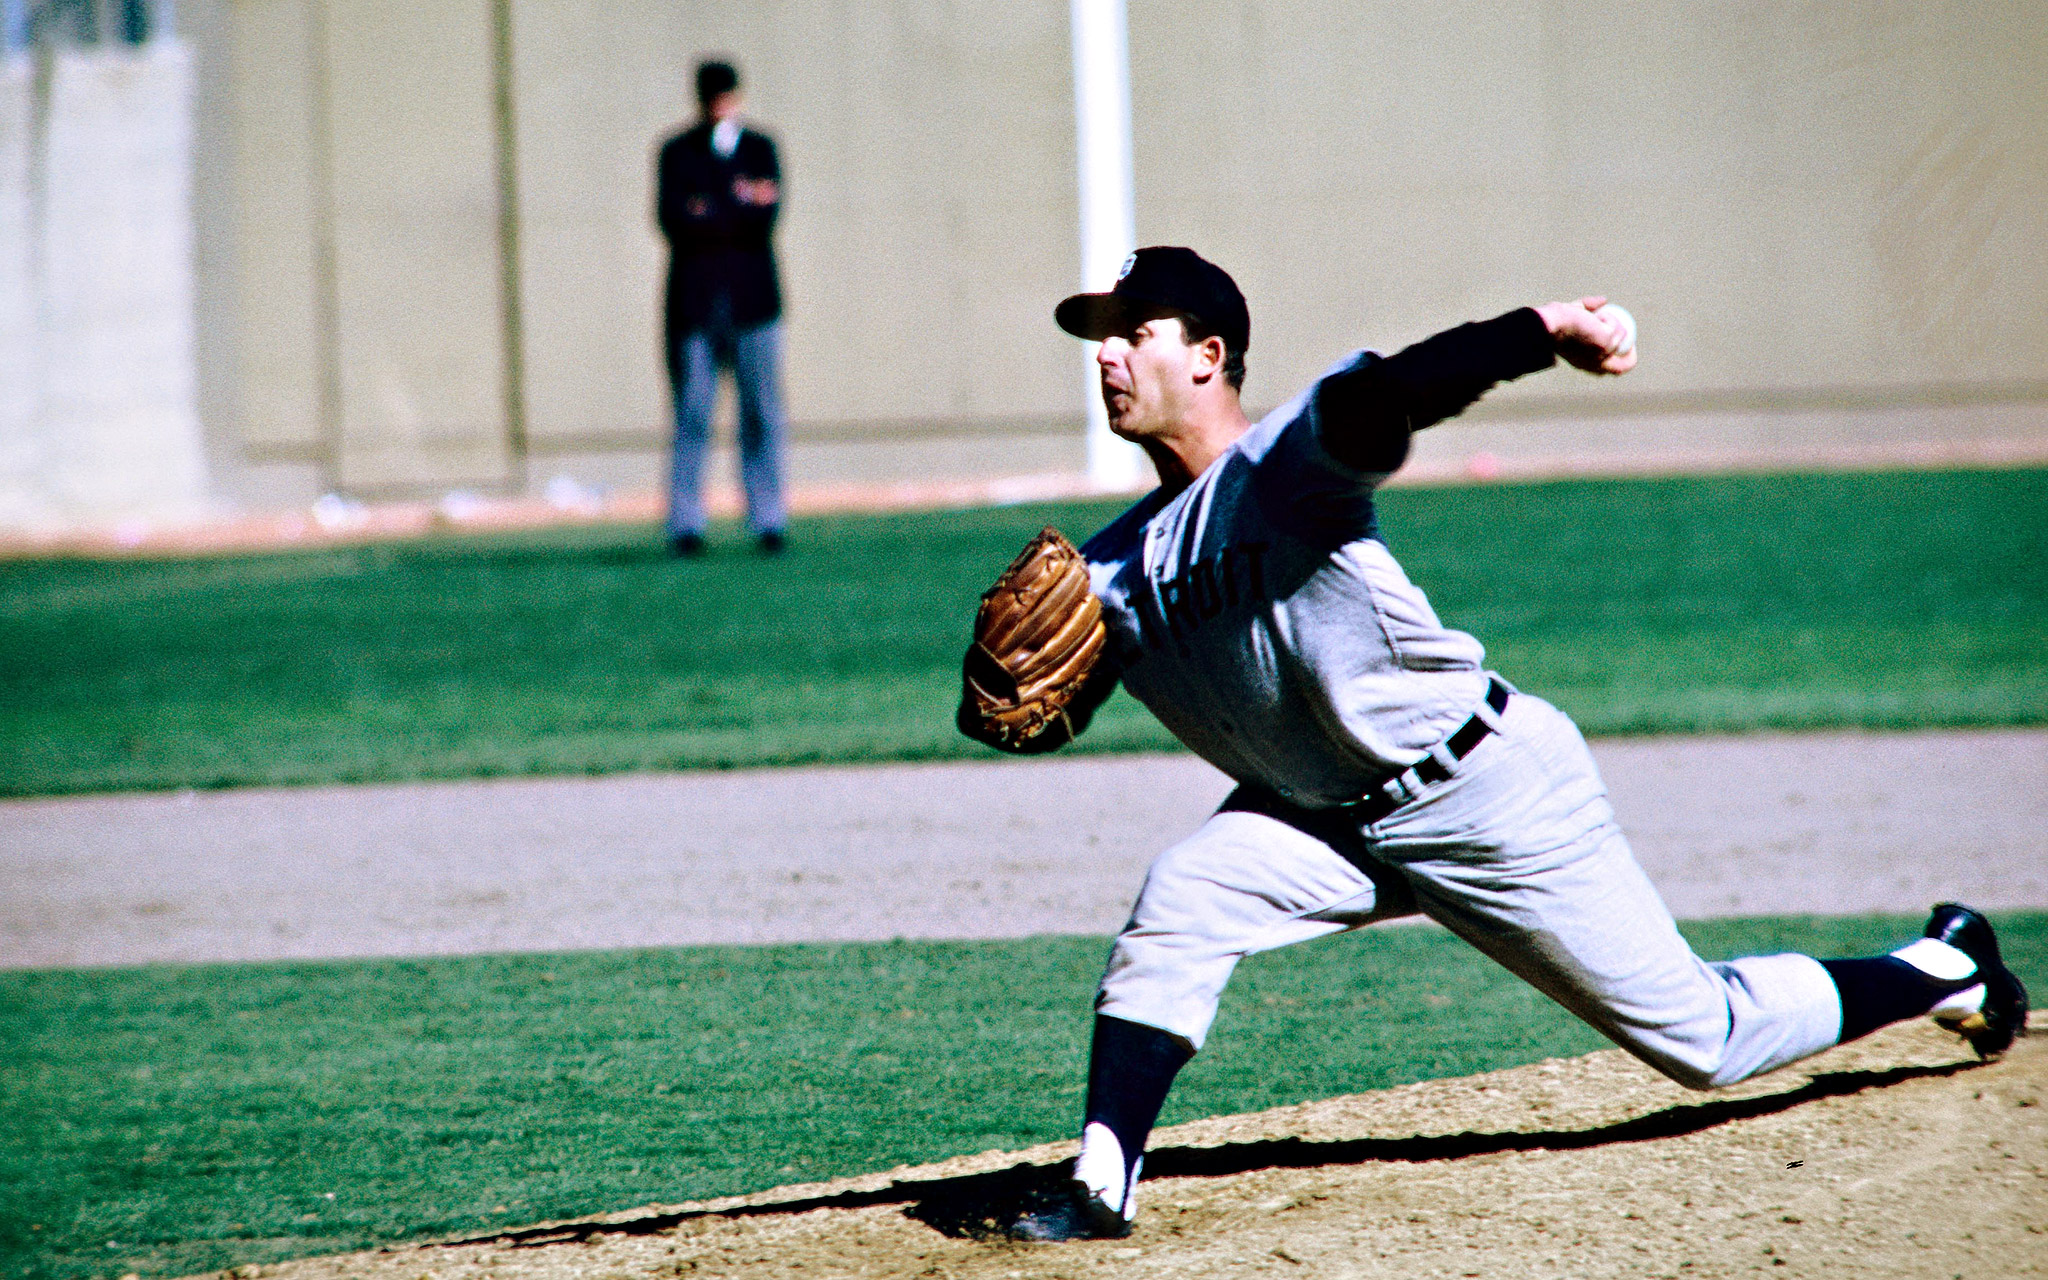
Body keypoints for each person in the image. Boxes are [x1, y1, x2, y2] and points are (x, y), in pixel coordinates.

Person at [994, 246, 2029, 1240]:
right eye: (1098, 337)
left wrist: (1542, 329)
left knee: (1703, 1039)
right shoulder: (1108, 571)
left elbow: (1391, 392)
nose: (1106, 354)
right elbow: (1041, 713)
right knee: (1187, 892)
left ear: (1207, 355)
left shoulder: (1283, 468)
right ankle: (1101, 1176)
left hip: (1481, 789)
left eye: (1134, 330)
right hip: (1318, 819)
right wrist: (1004, 699)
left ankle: (1943, 963)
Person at [655, 59, 789, 557]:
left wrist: (710, 207)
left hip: (754, 303)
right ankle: (685, 523)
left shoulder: (760, 147)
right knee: (692, 411)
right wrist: (736, 201)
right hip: (696, 304)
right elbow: (674, 220)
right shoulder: (677, 151)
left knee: (762, 411)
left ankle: (768, 518)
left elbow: (766, 217)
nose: (718, 104)